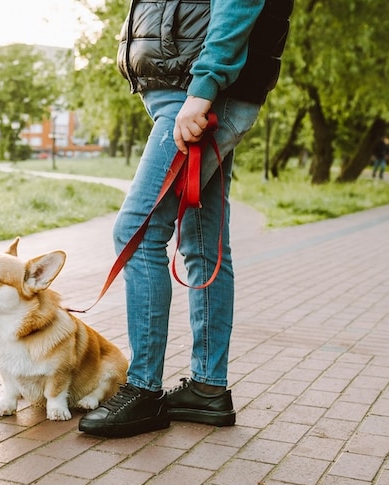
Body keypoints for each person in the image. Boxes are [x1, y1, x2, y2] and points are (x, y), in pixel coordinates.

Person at [79, 0, 293, 438]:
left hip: (198, 92)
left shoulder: (202, 88)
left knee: (137, 232)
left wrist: (204, 88)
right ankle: (208, 388)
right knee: (202, 242)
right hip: (187, 89)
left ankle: (143, 391)